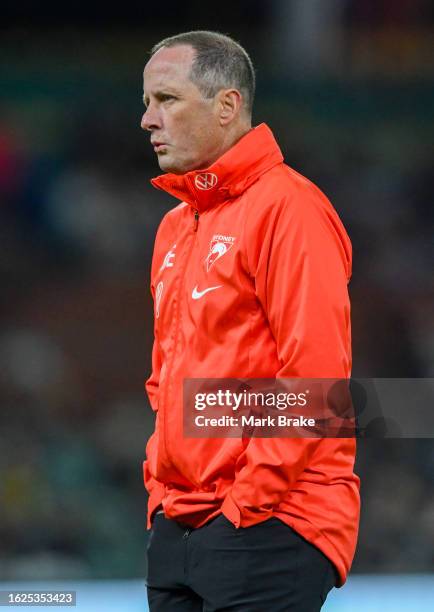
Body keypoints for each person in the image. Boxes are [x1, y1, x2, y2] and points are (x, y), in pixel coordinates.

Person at [141, 30, 360, 612]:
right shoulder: (174, 227)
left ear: (227, 106)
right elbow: (166, 380)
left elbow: (315, 377)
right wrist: (161, 494)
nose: (147, 119)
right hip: (182, 523)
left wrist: (248, 500)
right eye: (147, 101)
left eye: (166, 100)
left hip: (270, 520)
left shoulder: (290, 209)